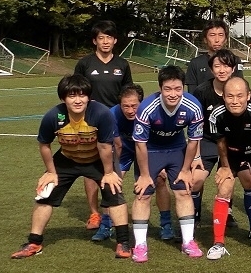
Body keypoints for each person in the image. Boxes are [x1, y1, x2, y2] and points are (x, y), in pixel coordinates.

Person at [10, 74, 131, 259]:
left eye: (82, 95)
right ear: (63, 98)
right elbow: (44, 144)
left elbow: (105, 146)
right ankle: (34, 242)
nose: (77, 100)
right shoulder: (53, 116)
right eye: (72, 96)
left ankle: (123, 243)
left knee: (114, 193)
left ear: (89, 97)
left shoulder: (100, 113)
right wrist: (51, 172)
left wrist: (109, 172)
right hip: (67, 159)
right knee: (45, 194)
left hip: (97, 159)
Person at [129, 66, 205, 263]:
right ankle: (139, 245)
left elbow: (193, 141)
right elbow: (140, 144)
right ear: (160, 88)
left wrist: (186, 169)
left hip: (176, 149)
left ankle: (188, 241)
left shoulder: (193, 106)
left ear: (183, 88)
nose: (173, 94)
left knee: (183, 191)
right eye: (168, 89)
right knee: (143, 194)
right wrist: (145, 174)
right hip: (151, 150)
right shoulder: (146, 108)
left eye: (178, 89)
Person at [205, 76, 251, 259]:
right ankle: (218, 244)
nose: (235, 101)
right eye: (230, 96)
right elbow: (220, 143)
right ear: (224, 97)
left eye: (239, 96)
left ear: (248, 96)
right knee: (224, 188)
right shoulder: (216, 115)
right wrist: (225, 167)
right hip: (231, 154)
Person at [73, 20, 133, 231]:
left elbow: (128, 95)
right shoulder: (85, 64)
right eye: (101, 37)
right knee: (91, 168)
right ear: (94, 41)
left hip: (116, 122)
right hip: (90, 122)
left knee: (114, 166)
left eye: (109, 37)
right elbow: (77, 91)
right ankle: (95, 213)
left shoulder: (122, 64)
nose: (105, 41)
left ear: (115, 41)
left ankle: (112, 209)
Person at [93, 84, 168, 243]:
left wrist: (158, 164)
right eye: (125, 106)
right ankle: (106, 225)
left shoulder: (150, 111)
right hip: (125, 150)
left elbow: (156, 138)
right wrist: (114, 169)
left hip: (148, 149)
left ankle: (166, 224)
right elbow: (118, 145)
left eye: (134, 106)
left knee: (160, 181)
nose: (129, 110)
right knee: (110, 184)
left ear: (141, 102)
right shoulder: (112, 114)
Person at [189, 49, 243, 229]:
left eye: (226, 66)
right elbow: (194, 126)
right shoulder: (202, 91)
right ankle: (193, 216)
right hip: (208, 140)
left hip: (232, 142)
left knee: (230, 181)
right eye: (217, 66)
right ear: (211, 70)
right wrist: (195, 156)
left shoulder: (239, 88)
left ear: (233, 68)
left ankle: (227, 213)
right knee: (195, 179)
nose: (222, 70)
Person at [185, 19, 241, 89]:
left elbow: (240, 86)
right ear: (205, 39)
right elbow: (192, 94)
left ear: (226, 39)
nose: (217, 40)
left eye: (220, 35)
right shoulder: (195, 63)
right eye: (212, 35)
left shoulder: (235, 60)